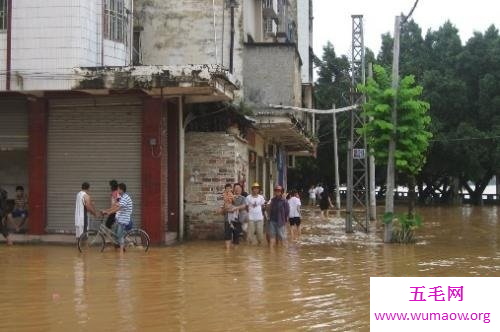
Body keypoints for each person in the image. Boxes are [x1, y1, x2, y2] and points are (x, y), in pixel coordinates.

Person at [102, 183, 133, 254]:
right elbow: (115, 206)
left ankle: (121, 253)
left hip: (123, 220)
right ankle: (119, 249)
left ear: (121, 190)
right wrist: (106, 211)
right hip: (119, 219)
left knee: (119, 235)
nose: (117, 190)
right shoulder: (122, 197)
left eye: (118, 189)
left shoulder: (125, 197)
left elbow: (118, 208)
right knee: (114, 233)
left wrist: (109, 212)